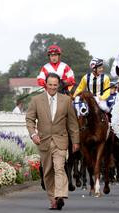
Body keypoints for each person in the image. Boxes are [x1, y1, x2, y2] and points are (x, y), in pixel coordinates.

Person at [26, 73, 80, 210]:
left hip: (60, 140)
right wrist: (33, 134)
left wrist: (75, 141)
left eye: (55, 85)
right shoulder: (36, 100)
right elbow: (30, 119)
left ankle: (60, 195)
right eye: (50, 84)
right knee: (48, 172)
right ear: (45, 84)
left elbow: (73, 123)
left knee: (60, 168)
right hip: (43, 141)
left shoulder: (66, 100)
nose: (52, 87)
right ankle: (53, 199)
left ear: (58, 85)